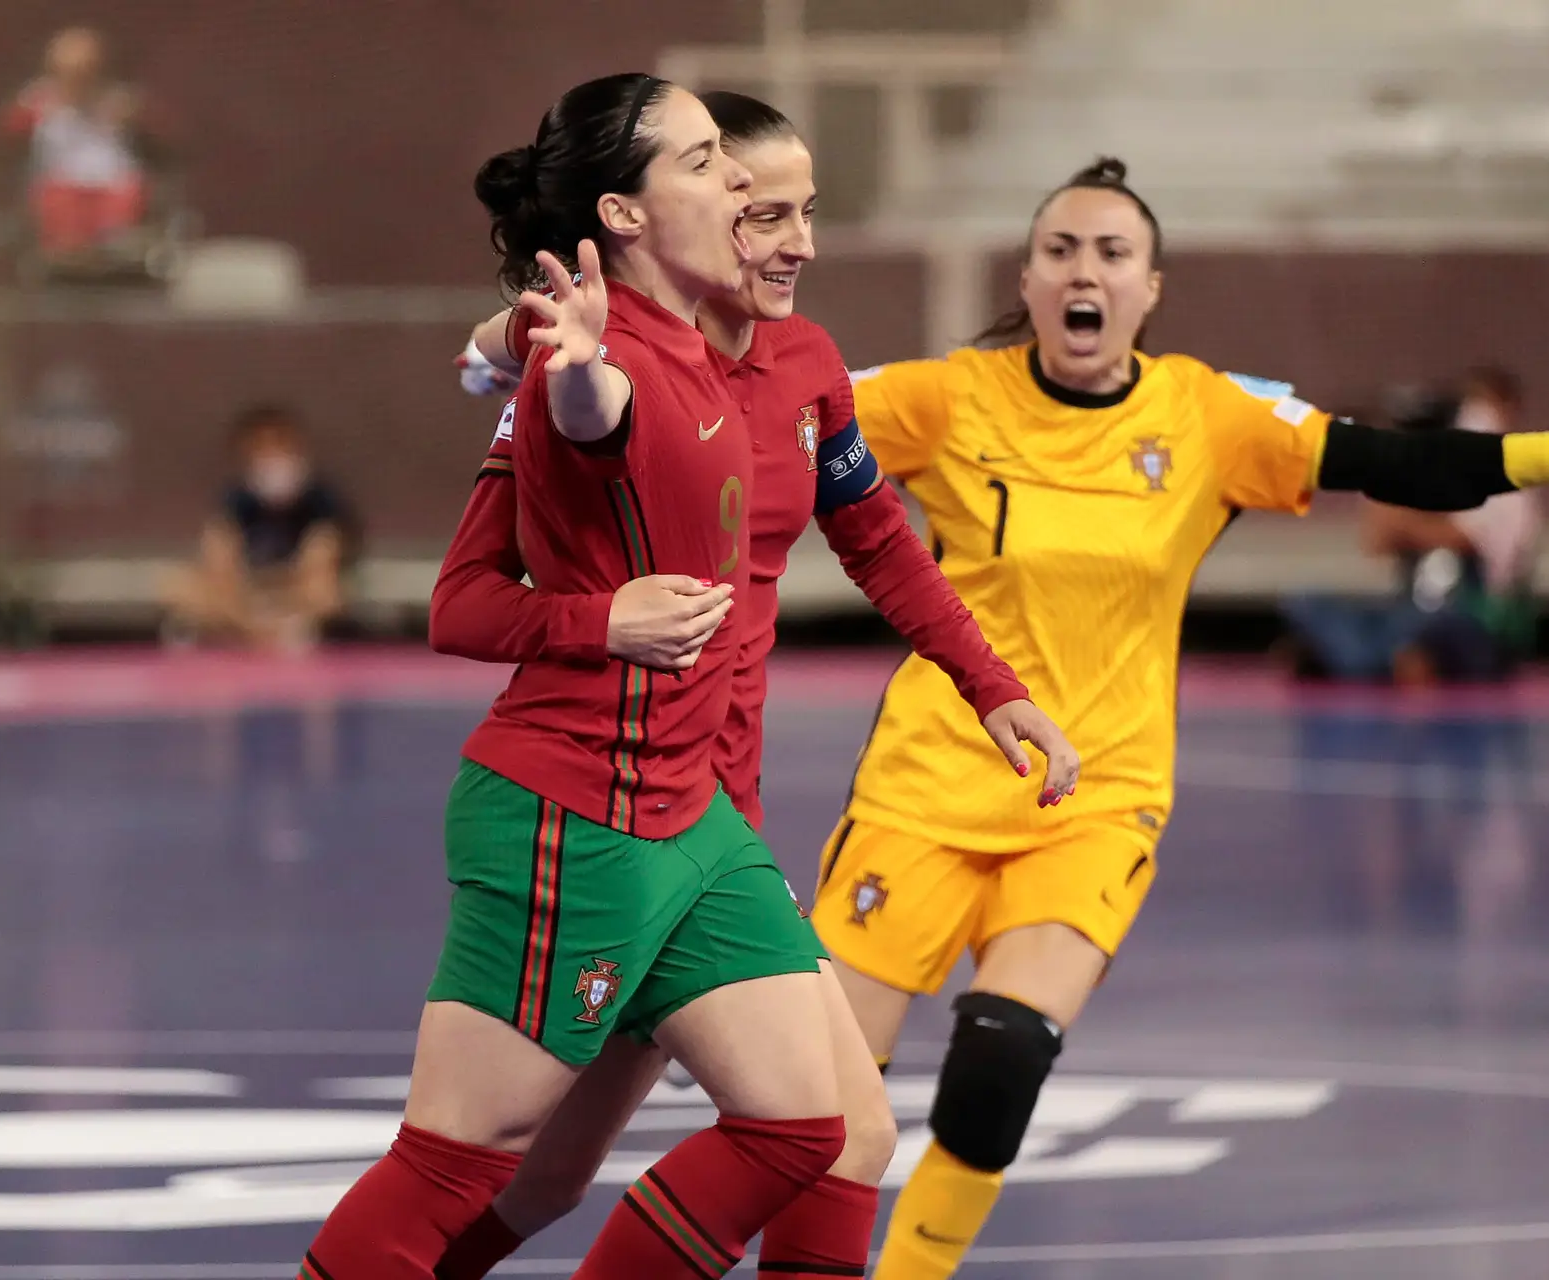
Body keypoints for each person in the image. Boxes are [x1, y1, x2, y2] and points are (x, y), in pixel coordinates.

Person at [808, 158, 1549, 1280]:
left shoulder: (1207, 415)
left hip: (1095, 796)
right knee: (820, 1116)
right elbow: (772, 415)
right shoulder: (947, 399)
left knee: (1001, 1060)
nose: (1086, 271)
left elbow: (1402, 461)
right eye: (1062, 251)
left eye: (1112, 254)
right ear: (1028, 280)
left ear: (1151, 288)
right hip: (923, 789)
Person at [428, 91, 1077, 1280]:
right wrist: (497, 348)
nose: (793, 240)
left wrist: (996, 687)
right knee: (572, 1161)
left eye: (805, 212)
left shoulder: (806, 364)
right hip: (619, 800)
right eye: (760, 207)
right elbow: (537, 383)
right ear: (694, 210)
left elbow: (877, 534)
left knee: (801, 1138)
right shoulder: (614, 357)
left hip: (714, 799)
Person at [298, 73, 860, 1280]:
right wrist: (558, 377)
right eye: (709, 163)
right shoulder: (602, 369)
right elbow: (589, 413)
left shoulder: (717, 351)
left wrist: (501, 341)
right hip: (575, 807)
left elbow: (521, 362)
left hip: (691, 818)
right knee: (460, 1161)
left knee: (805, 1124)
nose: (743, 185)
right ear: (626, 211)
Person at [1278, 366, 1542, 685]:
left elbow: (1474, 541)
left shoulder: (1514, 480)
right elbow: (1378, 541)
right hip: (1408, 611)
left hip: (1471, 620)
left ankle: (1357, 660)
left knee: (1431, 624)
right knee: (1307, 601)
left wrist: (1414, 525)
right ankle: (1378, 658)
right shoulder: (1434, 466)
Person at [162, 404, 347, 651]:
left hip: (289, 592)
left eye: (280, 446)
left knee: (327, 593)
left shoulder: (320, 502)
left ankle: (261, 633)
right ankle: (255, 634)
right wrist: (244, 610)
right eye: (262, 449)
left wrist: (282, 593)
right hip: (245, 594)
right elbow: (218, 559)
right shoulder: (235, 501)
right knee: (177, 588)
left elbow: (321, 561)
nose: (272, 458)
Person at [0, 27, 155, 261]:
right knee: (56, 204)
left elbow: (157, 132)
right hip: (60, 183)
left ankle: (113, 250)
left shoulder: (118, 101)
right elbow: (8, 131)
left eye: (85, 73)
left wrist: (130, 116)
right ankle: (68, 255)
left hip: (113, 183)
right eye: (71, 74)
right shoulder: (39, 100)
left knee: (126, 199)